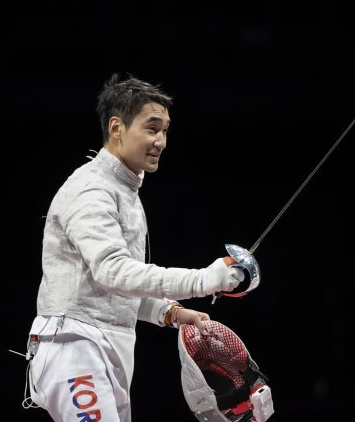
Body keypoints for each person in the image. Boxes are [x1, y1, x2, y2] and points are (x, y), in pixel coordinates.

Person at [23, 73, 244, 422]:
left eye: (166, 130)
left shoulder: (127, 195)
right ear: (117, 127)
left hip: (108, 348)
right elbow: (113, 272)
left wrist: (170, 312)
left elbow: (118, 287)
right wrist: (202, 280)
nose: (162, 141)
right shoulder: (91, 189)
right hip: (74, 347)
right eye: (152, 128)